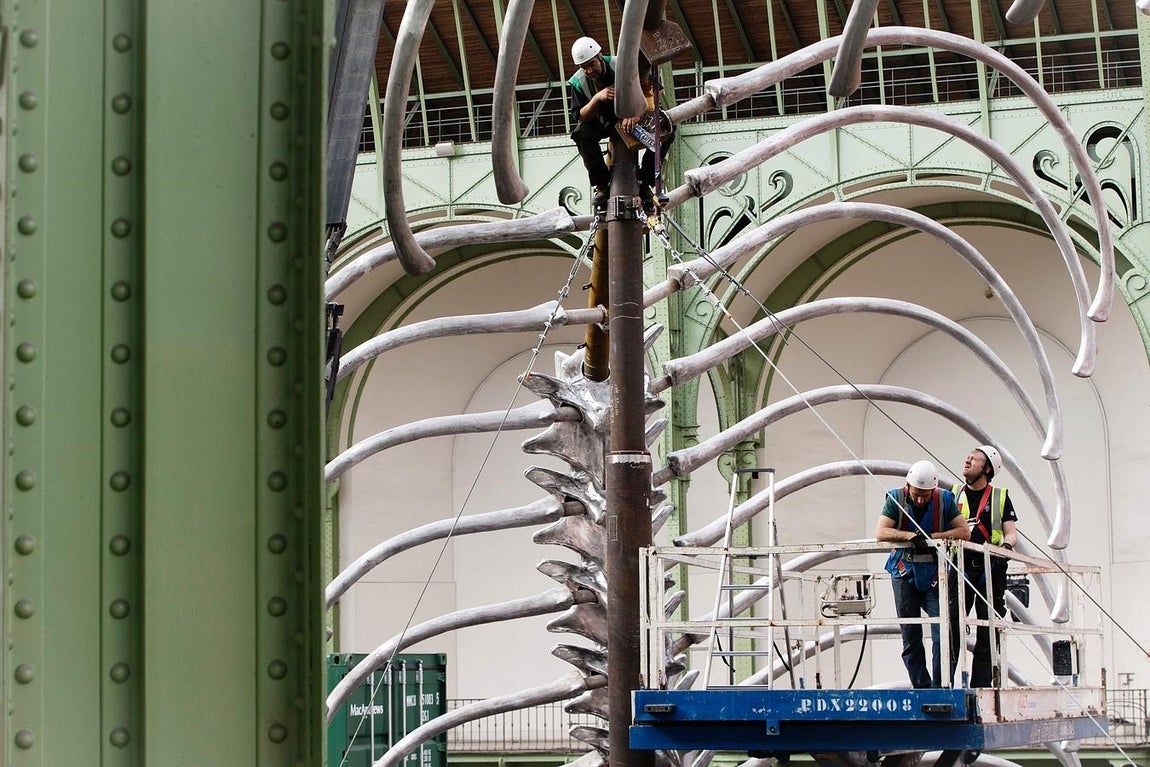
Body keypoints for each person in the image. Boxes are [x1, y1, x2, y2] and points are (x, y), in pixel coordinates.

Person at [875, 460, 970, 688]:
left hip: (934, 576)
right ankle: (922, 687)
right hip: (903, 572)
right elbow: (881, 532)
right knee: (910, 634)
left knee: (944, 632)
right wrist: (908, 536)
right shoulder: (895, 498)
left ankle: (941, 685)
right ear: (908, 487)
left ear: (933, 490)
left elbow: (964, 531)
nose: (920, 499)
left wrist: (933, 537)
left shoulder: (944, 500)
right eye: (916, 494)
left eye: (925, 495)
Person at [567, 37, 673, 209]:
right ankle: (602, 185)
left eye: (591, 64)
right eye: (584, 67)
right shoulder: (578, 82)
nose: (588, 70)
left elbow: (655, 91)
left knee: (667, 130)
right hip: (605, 123)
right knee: (581, 133)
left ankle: (644, 182)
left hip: (635, 119)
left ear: (600, 56)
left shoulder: (623, 65)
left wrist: (637, 112)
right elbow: (581, 116)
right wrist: (597, 98)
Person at [949, 444, 1018, 688]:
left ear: (987, 468)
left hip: (990, 570)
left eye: (974, 459)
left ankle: (980, 686)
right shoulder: (954, 494)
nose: (967, 461)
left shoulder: (999, 497)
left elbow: (1011, 533)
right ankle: (944, 682)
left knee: (988, 630)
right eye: (967, 457)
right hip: (960, 568)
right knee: (951, 627)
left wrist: (1006, 548)